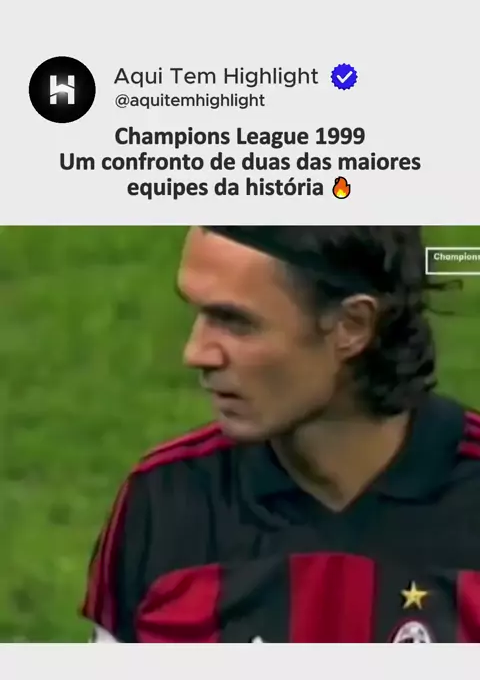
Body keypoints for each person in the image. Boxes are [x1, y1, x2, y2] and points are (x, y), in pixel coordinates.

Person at [81, 226, 480, 643]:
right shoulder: (167, 498)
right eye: (199, 314)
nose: (196, 353)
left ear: (352, 325)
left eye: (235, 322)